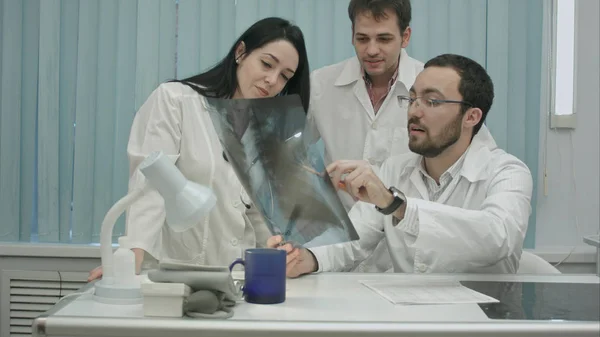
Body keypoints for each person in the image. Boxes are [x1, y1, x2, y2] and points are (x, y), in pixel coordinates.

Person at [88, 17, 310, 281]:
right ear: (241, 52)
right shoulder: (176, 101)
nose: (272, 80)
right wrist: (132, 259)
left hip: (238, 279)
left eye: (285, 76)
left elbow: (255, 213)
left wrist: (278, 248)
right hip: (176, 274)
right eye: (266, 64)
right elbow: (150, 187)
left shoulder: (266, 132)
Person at [270, 54, 533, 277]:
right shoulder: (394, 170)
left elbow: (498, 239)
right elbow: (352, 244)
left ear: (471, 117)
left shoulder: (507, 172)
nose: (414, 111)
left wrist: (396, 205)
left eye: (432, 101)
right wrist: (304, 258)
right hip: (407, 320)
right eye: (412, 98)